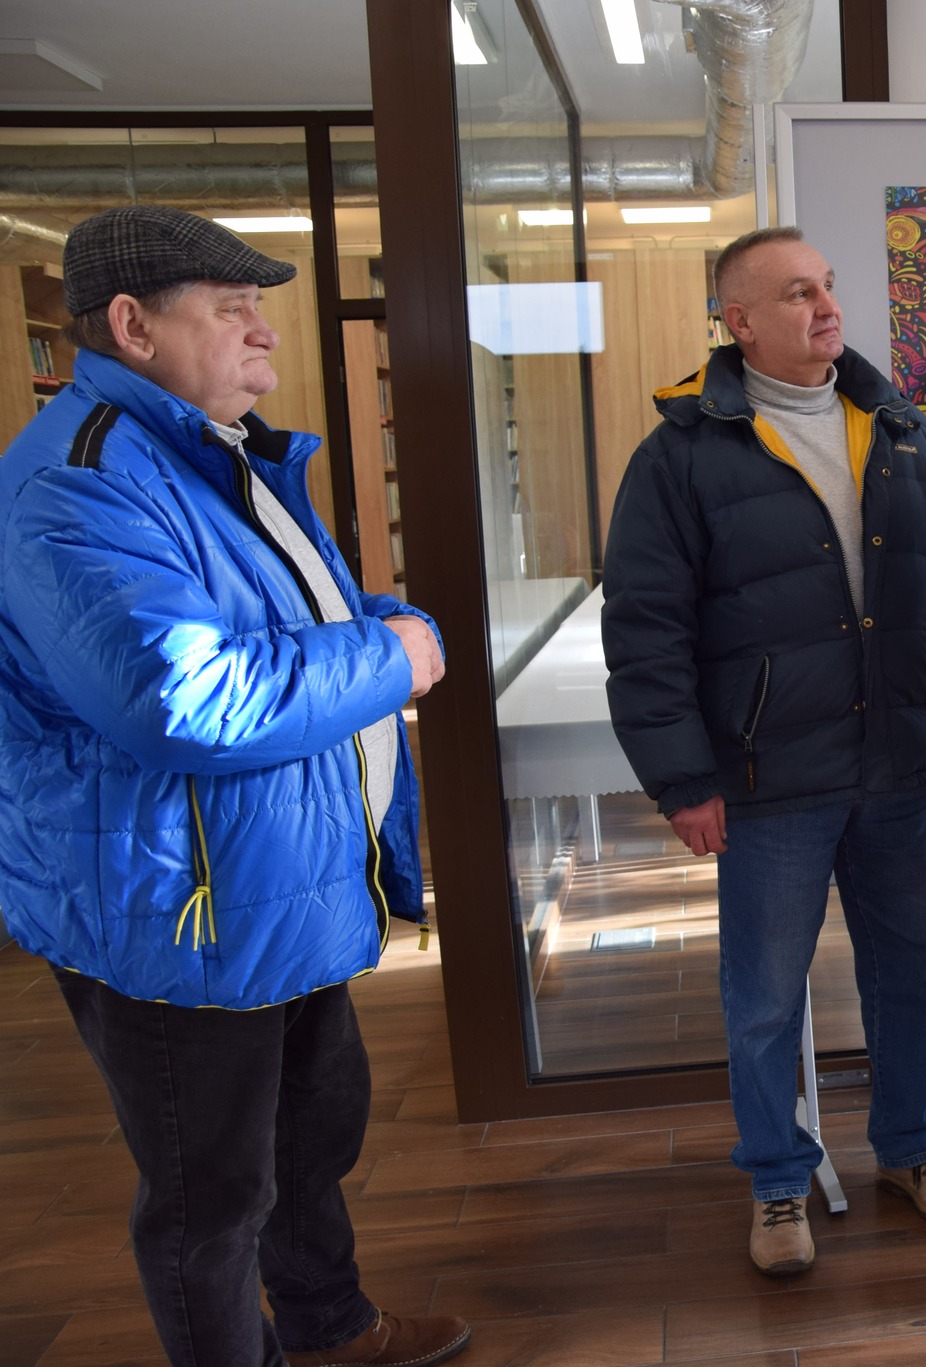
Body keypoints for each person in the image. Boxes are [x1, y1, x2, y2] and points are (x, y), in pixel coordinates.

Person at [0, 207, 462, 1367]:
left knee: (309, 1140)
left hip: (266, 882)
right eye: (231, 307)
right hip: (174, 910)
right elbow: (183, 698)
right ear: (131, 325)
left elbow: (275, 624)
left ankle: (330, 1327)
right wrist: (389, 656)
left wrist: (372, 626)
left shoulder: (210, 454)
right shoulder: (81, 482)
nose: (265, 331)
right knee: (211, 1199)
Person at [603, 225, 926, 1278]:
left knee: (912, 976)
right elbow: (645, 630)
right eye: (796, 293)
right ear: (740, 322)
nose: (826, 306)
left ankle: (913, 1146)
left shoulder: (900, 429)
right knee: (766, 997)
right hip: (769, 778)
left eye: (827, 285)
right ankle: (776, 1176)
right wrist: (682, 778)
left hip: (900, 761)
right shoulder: (680, 454)